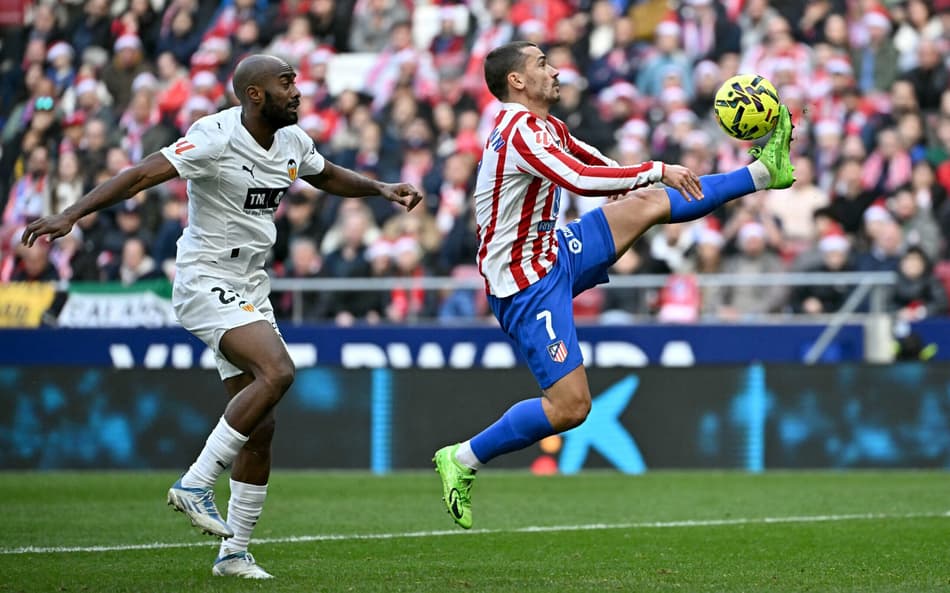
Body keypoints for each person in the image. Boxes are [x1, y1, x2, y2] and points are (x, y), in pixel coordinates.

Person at [22, 54, 423, 578]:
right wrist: (71, 215)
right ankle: (195, 481)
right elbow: (142, 173)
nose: (297, 92)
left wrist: (380, 189)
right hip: (205, 276)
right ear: (254, 95)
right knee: (278, 371)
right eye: (287, 84)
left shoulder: (293, 141)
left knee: (260, 424)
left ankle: (234, 552)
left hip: (251, 283)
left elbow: (326, 176)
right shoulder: (213, 136)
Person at [432, 41, 794, 529]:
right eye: (542, 64)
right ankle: (463, 457)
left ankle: (762, 172)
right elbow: (581, 180)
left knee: (647, 202)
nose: (555, 70)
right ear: (516, 81)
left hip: (553, 253)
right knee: (571, 407)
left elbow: (604, 171)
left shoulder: (545, 127)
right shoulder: (517, 133)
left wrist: (648, 180)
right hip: (525, 287)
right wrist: (659, 169)